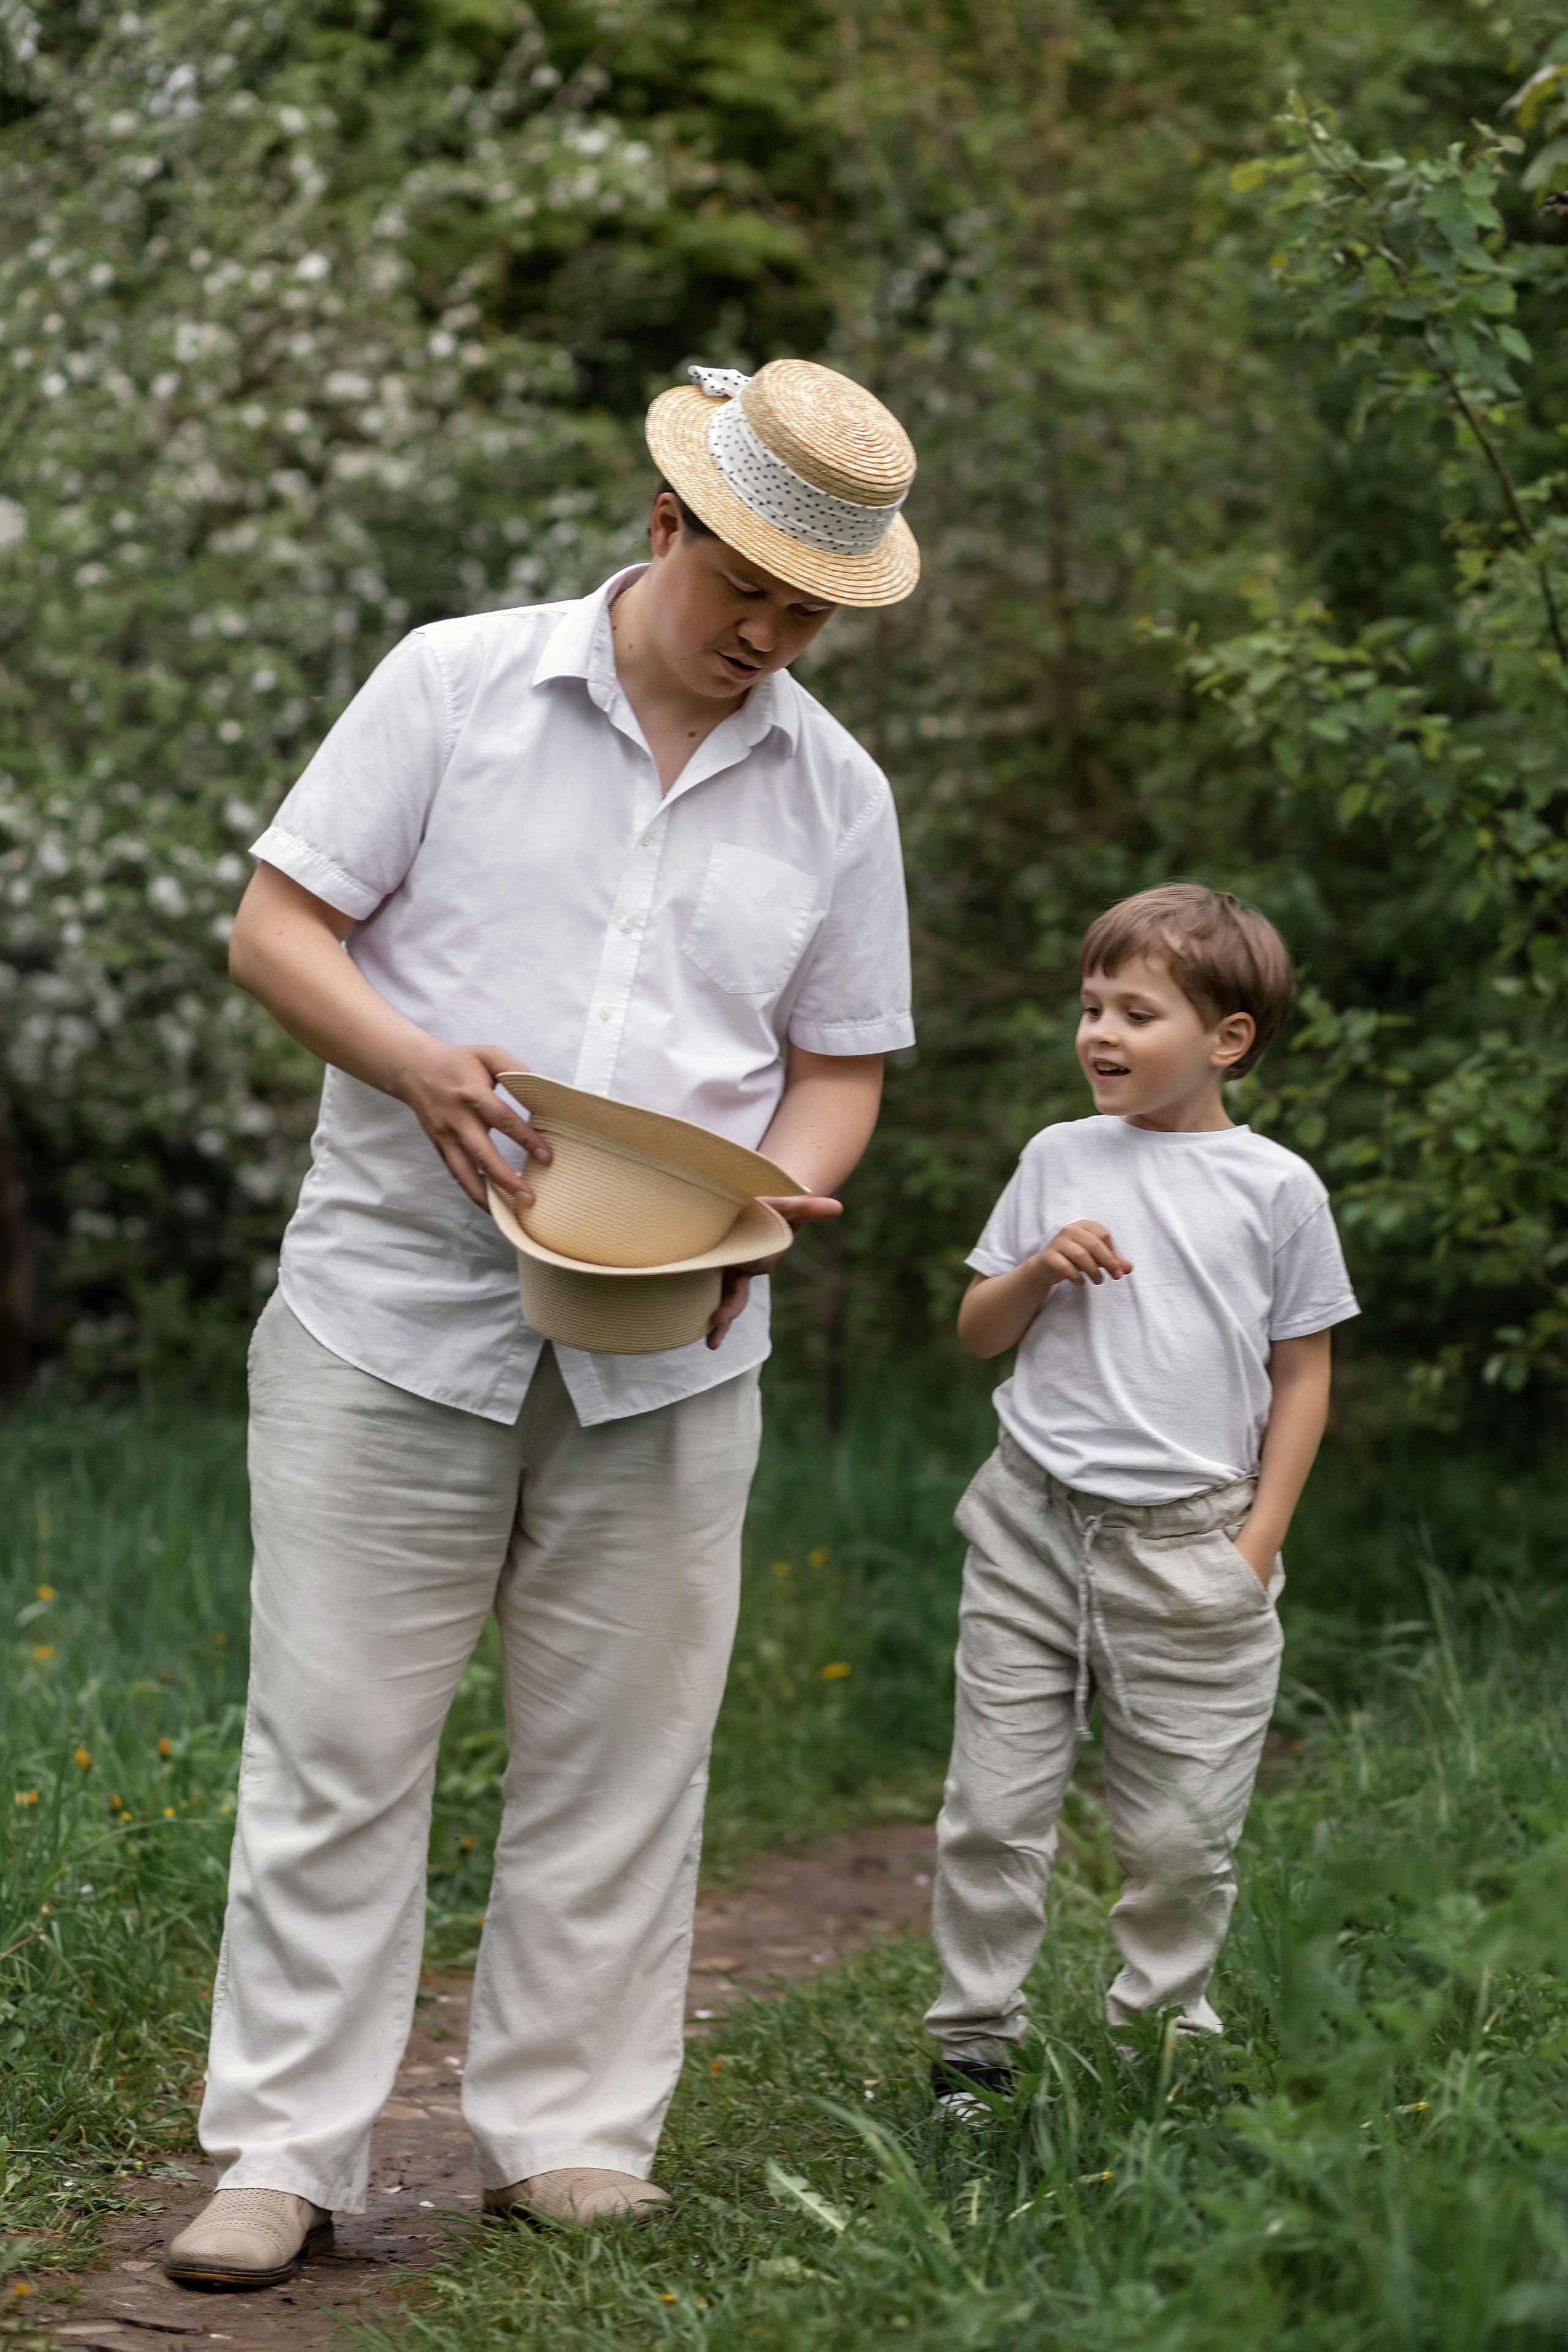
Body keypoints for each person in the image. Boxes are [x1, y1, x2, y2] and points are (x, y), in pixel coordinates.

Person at [164, 356, 921, 2287]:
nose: (768, 635)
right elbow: (275, 928)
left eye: (805, 611)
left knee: (626, 1748)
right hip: (389, 1314)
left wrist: (774, 1209)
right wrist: (419, 1066)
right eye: (742, 587)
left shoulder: (838, 794)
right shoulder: (452, 683)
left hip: (675, 1335)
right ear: (663, 523)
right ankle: (281, 2155)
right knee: (337, 1741)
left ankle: (571, 2136)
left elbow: (841, 1065)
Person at [924, 884, 1359, 2110]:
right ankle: (971, 2049)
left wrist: (1258, 1540)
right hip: (1028, 1518)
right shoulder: (1058, 1158)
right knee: (992, 1810)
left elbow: (1302, 1368)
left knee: (1176, 1832)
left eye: (1135, 1012)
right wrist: (1035, 1269)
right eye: (1088, 1007)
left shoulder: (1275, 1189)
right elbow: (973, 1332)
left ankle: (1157, 2045)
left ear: (1226, 1039)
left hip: (1190, 1542)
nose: (1099, 1034)